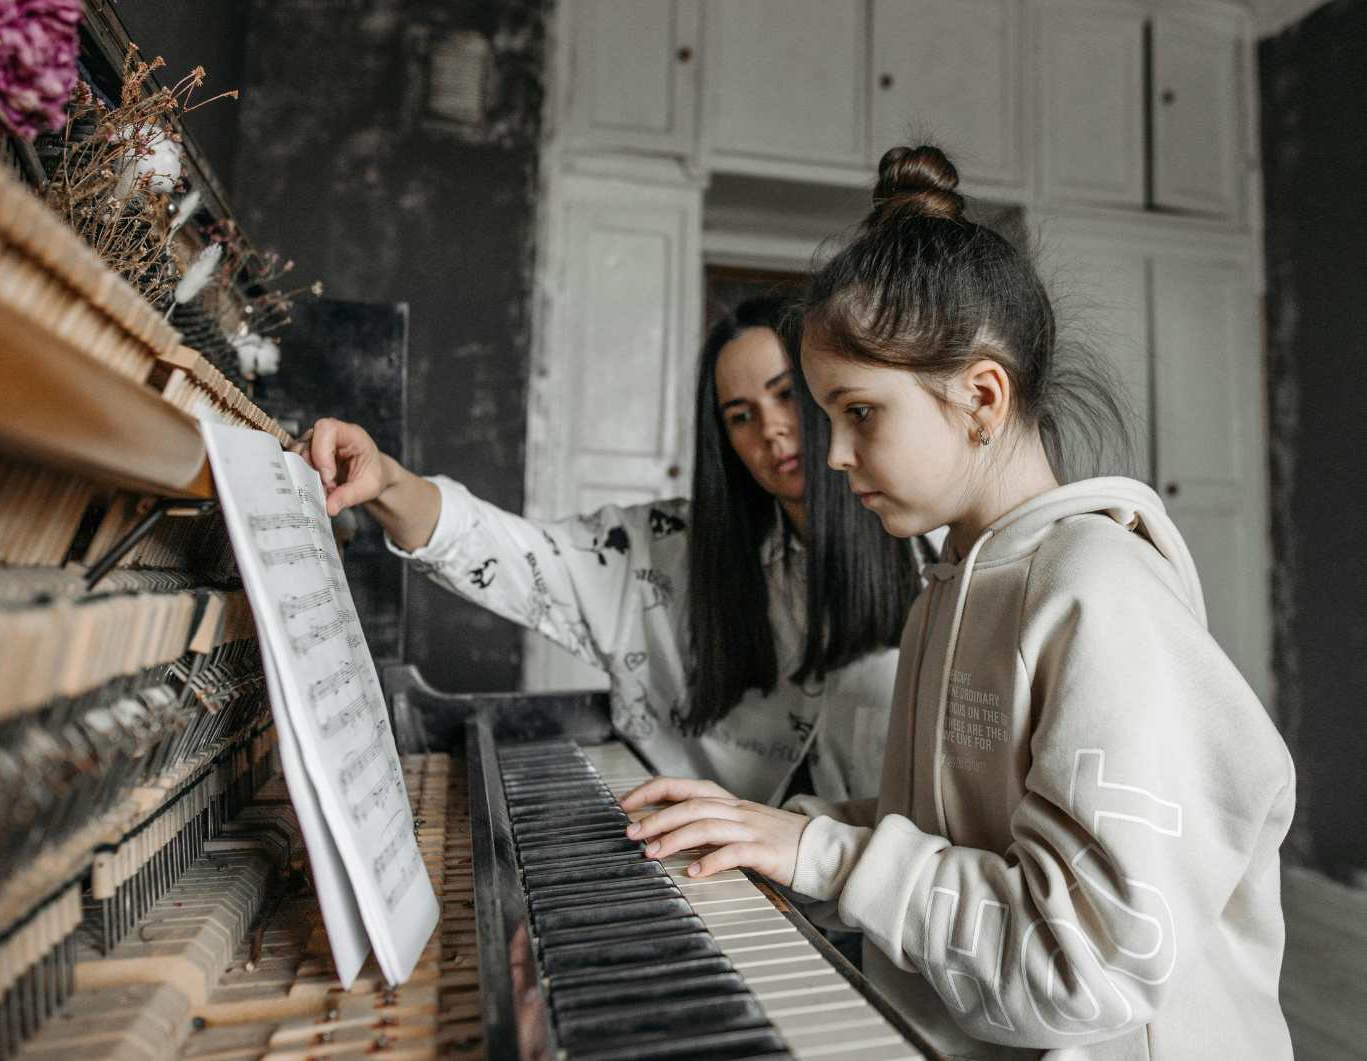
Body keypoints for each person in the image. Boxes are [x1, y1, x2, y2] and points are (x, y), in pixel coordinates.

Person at [623, 146, 1295, 1059]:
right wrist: (778, 828)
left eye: (860, 413)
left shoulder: (1101, 595)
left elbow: (1080, 968)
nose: (831, 458)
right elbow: (955, 839)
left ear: (981, 396)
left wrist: (821, 855)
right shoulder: (947, 585)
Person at [296, 295, 923, 806]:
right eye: (740, 416)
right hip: (731, 891)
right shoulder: (666, 551)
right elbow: (514, 552)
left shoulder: (933, 552)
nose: (771, 429)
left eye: (786, 394)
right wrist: (388, 480)